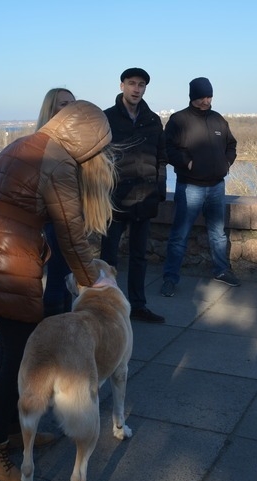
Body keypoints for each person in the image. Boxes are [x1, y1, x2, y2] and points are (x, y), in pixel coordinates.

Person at [0, 100, 116, 481]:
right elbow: (70, 229)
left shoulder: (18, 145)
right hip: (9, 268)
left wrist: (21, 230)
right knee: (15, 360)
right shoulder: (59, 161)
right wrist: (91, 280)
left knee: (12, 350)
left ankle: (13, 430)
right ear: (87, 138)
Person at [161, 77, 239, 297]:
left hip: (216, 186)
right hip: (190, 187)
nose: (206, 100)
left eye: (209, 96)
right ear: (193, 96)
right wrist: (187, 163)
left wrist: (226, 163)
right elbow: (167, 148)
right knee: (179, 235)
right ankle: (170, 278)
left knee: (218, 234)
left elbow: (231, 145)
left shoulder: (218, 120)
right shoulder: (179, 120)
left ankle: (222, 271)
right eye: (202, 96)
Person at [100, 67, 167, 323]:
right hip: (116, 198)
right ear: (122, 86)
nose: (136, 89)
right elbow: (99, 159)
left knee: (139, 256)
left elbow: (161, 157)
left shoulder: (152, 119)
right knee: (109, 257)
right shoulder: (107, 118)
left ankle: (138, 306)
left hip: (145, 196)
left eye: (141, 85)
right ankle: (106, 308)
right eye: (132, 83)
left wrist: (159, 189)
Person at [35, 88, 77, 317]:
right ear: (51, 109)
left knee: (65, 277)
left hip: (69, 215)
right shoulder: (47, 141)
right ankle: (53, 328)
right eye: (64, 104)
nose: (70, 107)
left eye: (73, 103)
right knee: (58, 278)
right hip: (54, 217)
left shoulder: (72, 139)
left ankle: (63, 325)